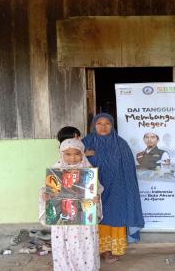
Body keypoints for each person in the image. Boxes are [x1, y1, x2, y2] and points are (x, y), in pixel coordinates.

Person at [82, 113, 145, 263]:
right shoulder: (86, 142)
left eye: (107, 124)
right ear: (94, 125)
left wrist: (128, 190)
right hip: (92, 189)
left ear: (112, 125)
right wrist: (84, 154)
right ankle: (95, 251)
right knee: (93, 216)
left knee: (114, 216)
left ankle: (110, 251)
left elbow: (129, 170)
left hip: (117, 189)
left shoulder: (120, 143)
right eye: (99, 124)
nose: (103, 127)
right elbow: (70, 160)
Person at [39, 138, 103, 270]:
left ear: (82, 154)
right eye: (68, 154)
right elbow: (47, 191)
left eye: (77, 153)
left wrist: (96, 199)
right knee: (63, 244)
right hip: (62, 222)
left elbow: (97, 190)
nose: (73, 158)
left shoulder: (88, 171)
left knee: (84, 244)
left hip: (83, 221)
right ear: (61, 154)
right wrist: (45, 196)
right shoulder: (55, 171)